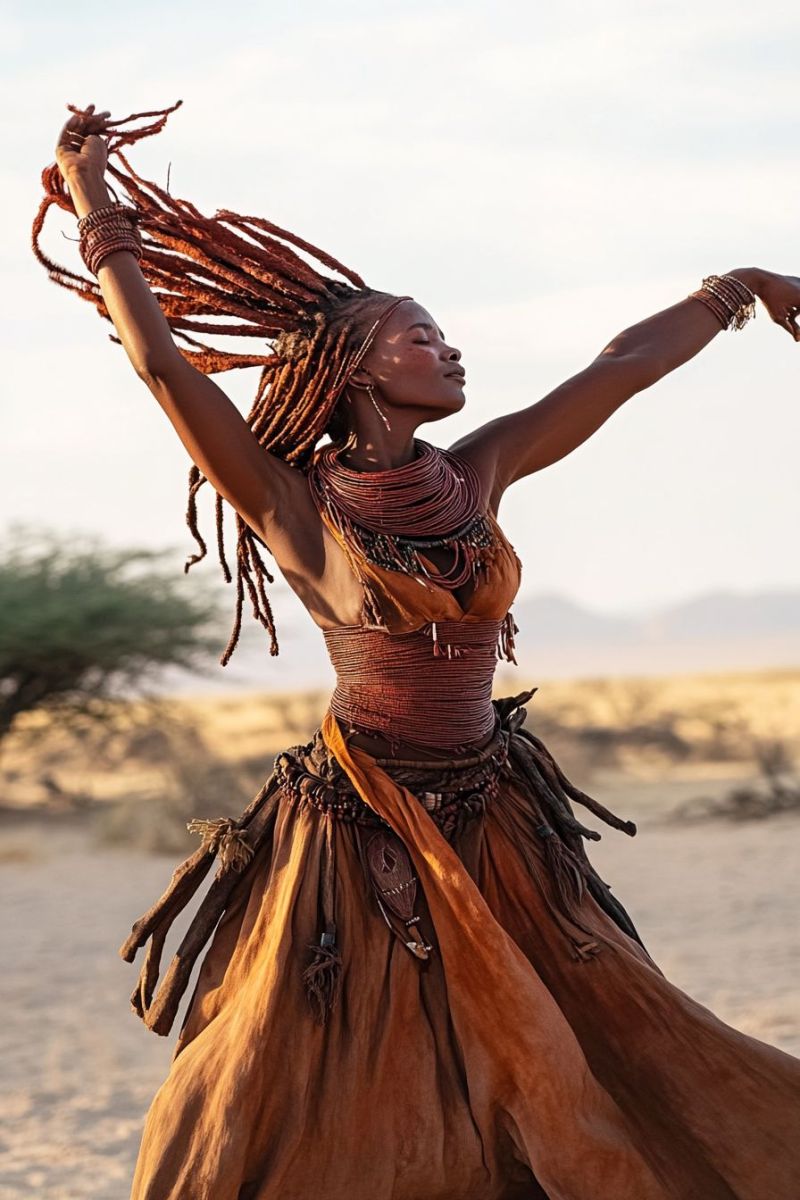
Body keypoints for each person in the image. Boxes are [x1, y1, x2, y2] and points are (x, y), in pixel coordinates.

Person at [39, 101, 800, 1200]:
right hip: (359, 822)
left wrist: (735, 289)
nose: (447, 349)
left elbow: (620, 366)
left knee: (581, 1036)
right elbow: (160, 365)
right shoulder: (292, 506)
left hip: (495, 810)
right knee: (334, 1063)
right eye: (418, 335)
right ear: (352, 366)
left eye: (444, 334)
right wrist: (95, 193)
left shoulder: (476, 470)